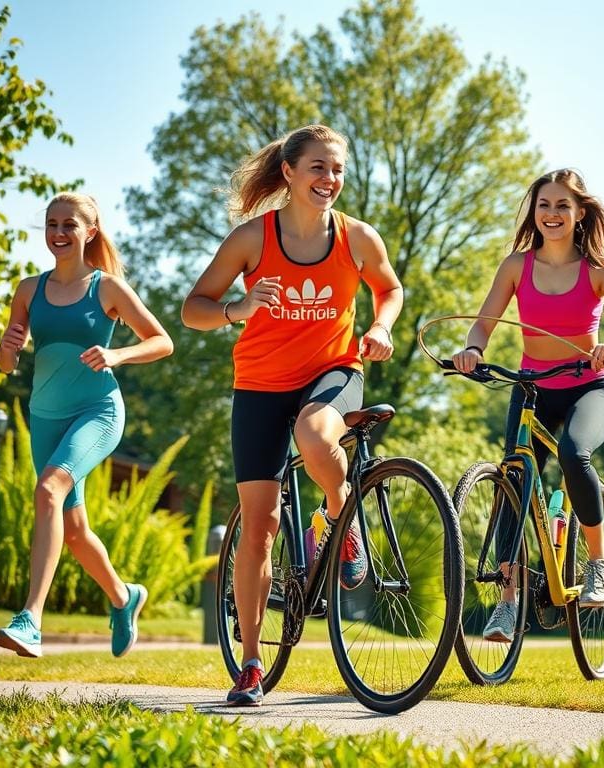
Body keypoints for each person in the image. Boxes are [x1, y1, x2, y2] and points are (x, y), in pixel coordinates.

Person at [182, 124, 403, 706]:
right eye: (317, 168)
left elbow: (390, 289)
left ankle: (340, 518)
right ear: (288, 172)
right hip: (258, 386)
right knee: (260, 527)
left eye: (337, 170)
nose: (329, 180)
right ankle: (251, 665)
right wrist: (238, 307)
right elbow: (192, 310)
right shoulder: (251, 239)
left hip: (334, 371)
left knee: (314, 431)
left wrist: (380, 326)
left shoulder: (358, 239)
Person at [452, 168, 604, 642]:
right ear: (534, 212)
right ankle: (508, 600)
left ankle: (597, 563)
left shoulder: (598, 267)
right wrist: (473, 350)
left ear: (580, 212)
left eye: (563, 205)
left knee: (573, 453)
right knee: (513, 480)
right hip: (532, 388)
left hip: (589, 387)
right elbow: (482, 324)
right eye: (544, 205)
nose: (552, 214)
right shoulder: (516, 266)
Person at [0, 192, 174, 658]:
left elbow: (161, 341)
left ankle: (30, 618)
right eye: (52, 225)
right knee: (73, 531)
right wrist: (10, 348)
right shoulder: (28, 290)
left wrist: (117, 354)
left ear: (89, 231)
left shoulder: (106, 288)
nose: (58, 233)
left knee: (47, 491)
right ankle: (123, 596)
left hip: (98, 411)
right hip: (45, 417)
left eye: (68, 225)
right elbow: (4, 363)